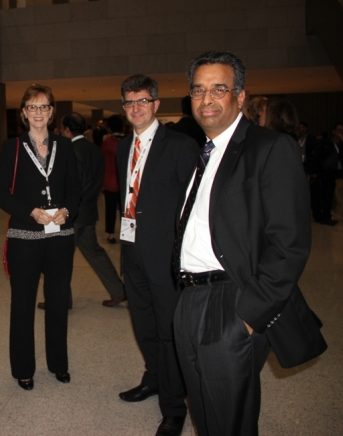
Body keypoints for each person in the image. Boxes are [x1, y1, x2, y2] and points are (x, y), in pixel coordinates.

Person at [174, 51, 327, 436]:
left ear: (240, 97)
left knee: (230, 422)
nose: (206, 99)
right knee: (206, 415)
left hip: (231, 300)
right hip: (190, 298)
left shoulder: (269, 148)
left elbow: (290, 244)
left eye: (218, 89)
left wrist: (247, 317)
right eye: (198, 90)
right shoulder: (204, 152)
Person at [116, 75, 198, 436]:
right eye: (129, 102)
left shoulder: (180, 146)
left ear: (156, 104)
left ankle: (174, 407)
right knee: (143, 324)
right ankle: (153, 378)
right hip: (131, 251)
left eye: (142, 101)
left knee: (168, 332)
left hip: (165, 256)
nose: (136, 108)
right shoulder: (122, 147)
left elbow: (192, 207)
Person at [0, 85, 82, 391]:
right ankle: (23, 368)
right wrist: (30, 211)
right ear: (24, 112)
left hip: (60, 237)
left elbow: (76, 188)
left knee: (58, 302)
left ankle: (59, 363)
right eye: (33, 107)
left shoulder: (65, 146)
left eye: (44, 107)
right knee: (23, 304)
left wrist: (67, 209)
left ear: (52, 112)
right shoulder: (12, 147)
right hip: (24, 238)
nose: (39, 113)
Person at [39, 112, 126, 308]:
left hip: (71, 214)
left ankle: (60, 300)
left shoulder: (69, 150)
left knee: (57, 257)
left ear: (67, 130)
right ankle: (119, 291)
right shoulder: (95, 149)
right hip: (88, 211)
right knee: (95, 252)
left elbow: (72, 186)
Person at [313, 122, 343, 225]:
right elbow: (317, 157)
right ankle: (321, 216)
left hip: (334, 172)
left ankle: (327, 216)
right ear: (333, 131)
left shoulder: (342, 144)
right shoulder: (325, 142)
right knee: (323, 194)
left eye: (342, 131)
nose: (340, 133)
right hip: (324, 171)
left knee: (329, 195)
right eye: (338, 130)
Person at [101, 114, 125, 244]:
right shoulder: (128, 141)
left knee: (110, 209)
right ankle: (127, 234)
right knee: (126, 210)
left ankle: (111, 234)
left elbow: (103, 162)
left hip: (110, 181)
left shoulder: (107, 143)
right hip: (125, 182)